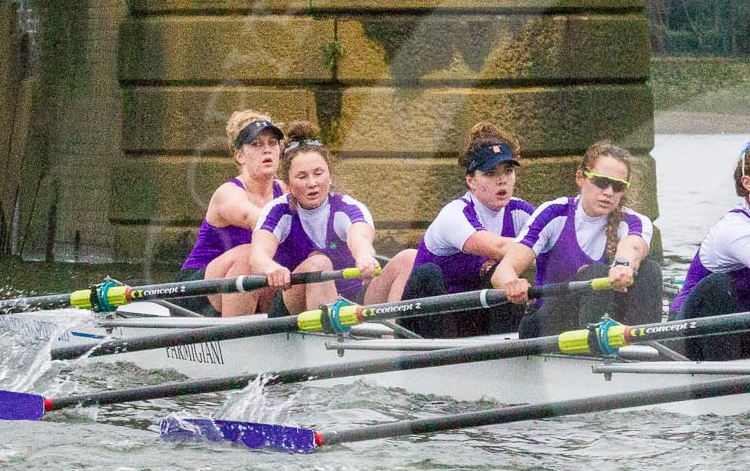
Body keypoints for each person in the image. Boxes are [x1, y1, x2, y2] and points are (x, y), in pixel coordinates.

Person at [494, 141, 663, 336]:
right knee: (596, 273)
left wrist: (623, 265)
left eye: (618, 186)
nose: (608, 192)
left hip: (600, 320)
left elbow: (633, 246)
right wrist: (513, 283)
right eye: (601, 182)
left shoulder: (635, 221)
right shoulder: (555, 214)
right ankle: (593, 354)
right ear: (580, 178)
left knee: (650, 271)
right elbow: (503, 271)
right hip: (545, 324)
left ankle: (643, 349)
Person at [387, 123, 537, 338]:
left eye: (508, 171)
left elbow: (553, 244)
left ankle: (509, 349)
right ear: (471, 181)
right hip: (427, 326)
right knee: (428, 275)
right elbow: (499, 247)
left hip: (474, 320)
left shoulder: (520, 211)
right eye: (490, 173)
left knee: (502, 277)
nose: (502, 179)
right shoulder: (454, 214)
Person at [231, 122, 392, 316]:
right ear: (288, 183)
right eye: (302, 177)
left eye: (318, 173)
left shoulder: (348, 208)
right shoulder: (277, 211)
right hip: (293, 304)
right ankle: (327, 341)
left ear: (330, 176)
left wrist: (364, 257)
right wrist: (272, 268)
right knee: (319, 264)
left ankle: (393, 339)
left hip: (352, 300)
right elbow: (258, 257)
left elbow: (359, 238)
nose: (312, 183)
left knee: (407, 258)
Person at [669, 135, 750, 361]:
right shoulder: (733, 228)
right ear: (747, 182)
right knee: (717, 286)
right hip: (686, 334)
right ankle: (725, 380)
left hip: (744, 330)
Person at [177, 110, 285, 316]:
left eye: (272, 143)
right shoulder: (228, 193)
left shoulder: (284, 190)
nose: (267, 150)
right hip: (194, 294)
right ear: (240, 156)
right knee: (249, 254)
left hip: (247, 285)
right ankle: (238, 338)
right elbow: (258, 220)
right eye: (256, 144)